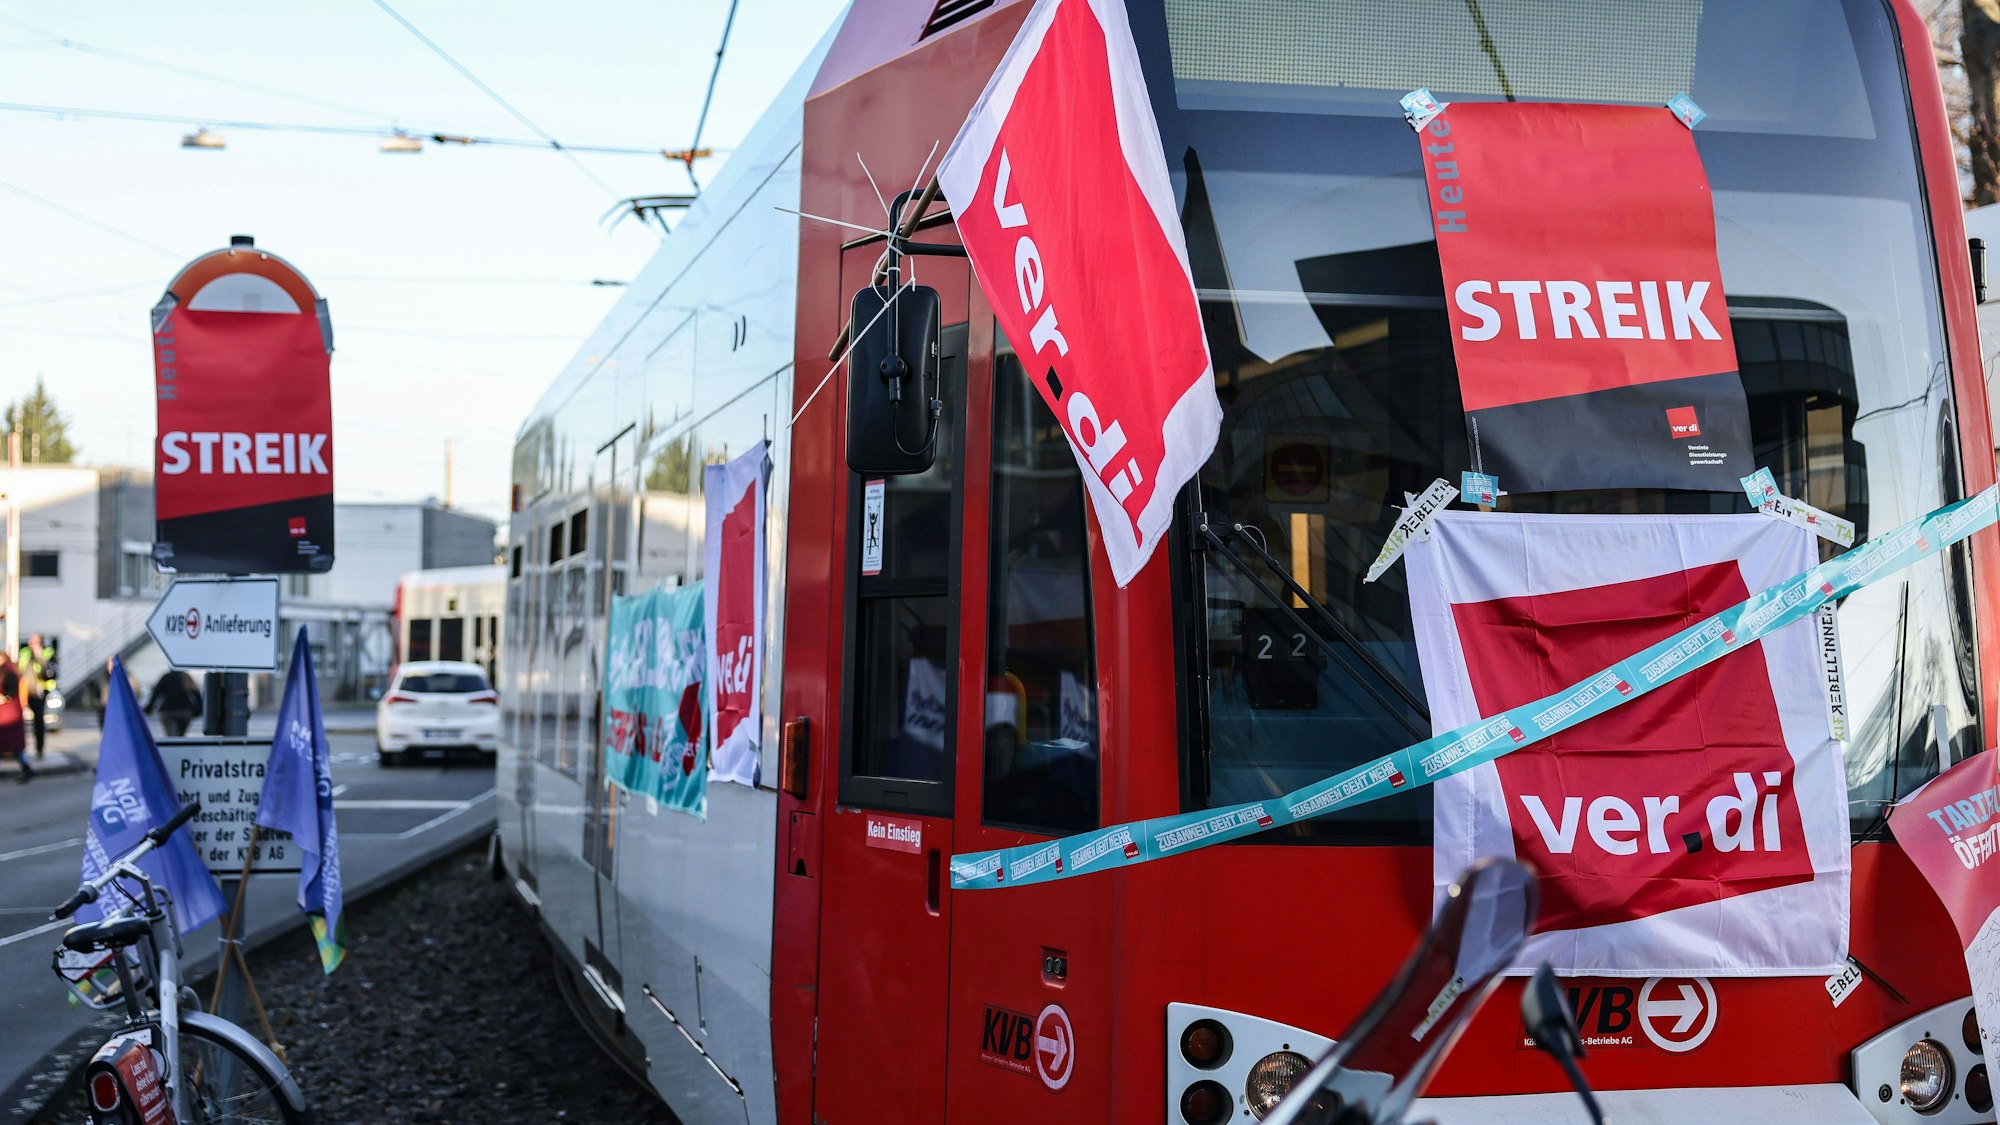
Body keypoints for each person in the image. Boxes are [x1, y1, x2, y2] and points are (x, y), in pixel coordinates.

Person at [17, 633, 51, 760]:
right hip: (23, 692)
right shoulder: (24, 652)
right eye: (31, 640)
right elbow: (19, 669)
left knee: (38, 722)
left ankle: (39, 749)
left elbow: (48, 672)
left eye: (35, 641)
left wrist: (38, 655)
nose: (32, 643)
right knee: (17, 721)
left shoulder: (47, 652)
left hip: (38, 693)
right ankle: (17, 749)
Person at [145, 669, 202, 737]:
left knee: (171, 734)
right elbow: (196, 693)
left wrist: (149, 707)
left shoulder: (166, 677)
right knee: (180, 735)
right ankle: (179, 745)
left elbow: (156, 693)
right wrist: (198, 710)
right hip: (185, 711)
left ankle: (173, 744)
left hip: (168, 711)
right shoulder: (185, 677)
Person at [0, 654, 30, 783]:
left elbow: (11, 692)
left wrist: (4, 698)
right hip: (5, 715)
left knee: (13, 745)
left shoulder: (10, 673)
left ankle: (27, 768)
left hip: (9, 716)